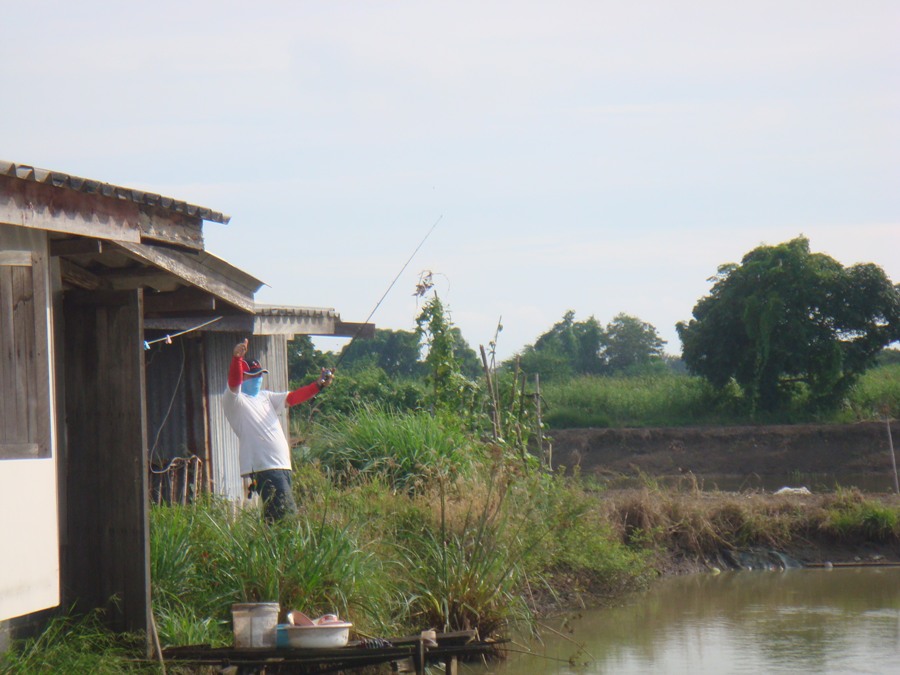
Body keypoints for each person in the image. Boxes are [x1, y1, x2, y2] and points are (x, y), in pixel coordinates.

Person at [223, 338, 333, 522]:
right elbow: (233, 383)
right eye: (254, 375)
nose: (258, 378)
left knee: (273, 518)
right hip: (266, 466)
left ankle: (270, 549)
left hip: (281, 465)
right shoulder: (235, 400)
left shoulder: (266, 397)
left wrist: (318, 385)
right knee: (286, 517)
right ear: (243, 376)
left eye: (260, 374)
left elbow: (294, 397)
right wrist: (236, 359)